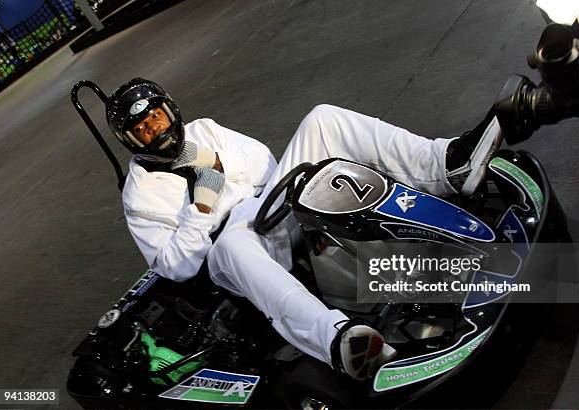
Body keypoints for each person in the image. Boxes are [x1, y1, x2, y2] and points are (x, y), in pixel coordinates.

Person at [107, 78, 500, 381]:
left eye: (156, 115)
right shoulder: (139, 196)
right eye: (141, 127)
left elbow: (264, 162)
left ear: (170, 110)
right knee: (231, 247)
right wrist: (201, 207)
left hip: (274, 200)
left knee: (322, 117)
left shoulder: (204, 131)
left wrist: (212, 161)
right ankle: (340, 340)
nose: (154, 129)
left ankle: (447, 164)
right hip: (237, 249)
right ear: (129, 139)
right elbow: (174, 266)